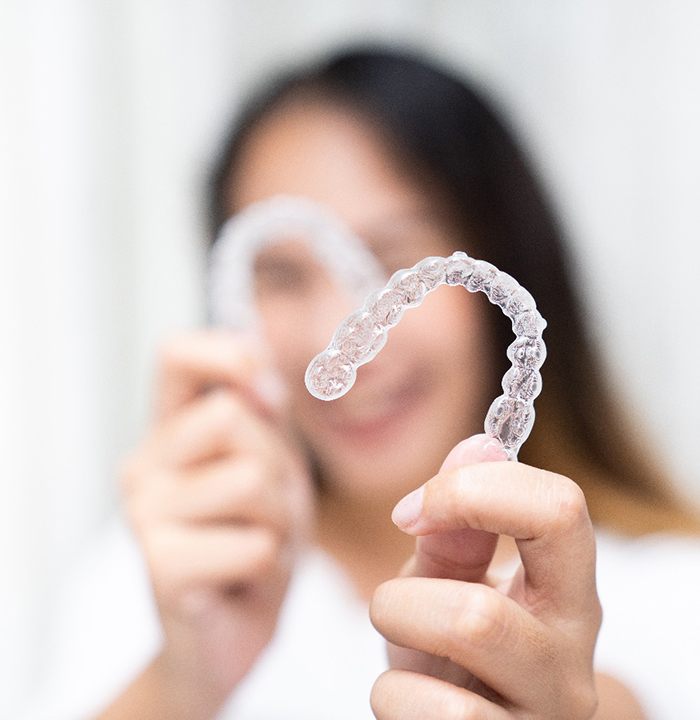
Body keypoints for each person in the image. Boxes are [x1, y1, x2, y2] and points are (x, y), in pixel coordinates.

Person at [30, 46, 700, 720]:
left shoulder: (675, 597)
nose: (336, 329)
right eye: (283, 276)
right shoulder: (155, 579)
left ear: (503, 254)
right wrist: (184, 679)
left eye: (395, 256)